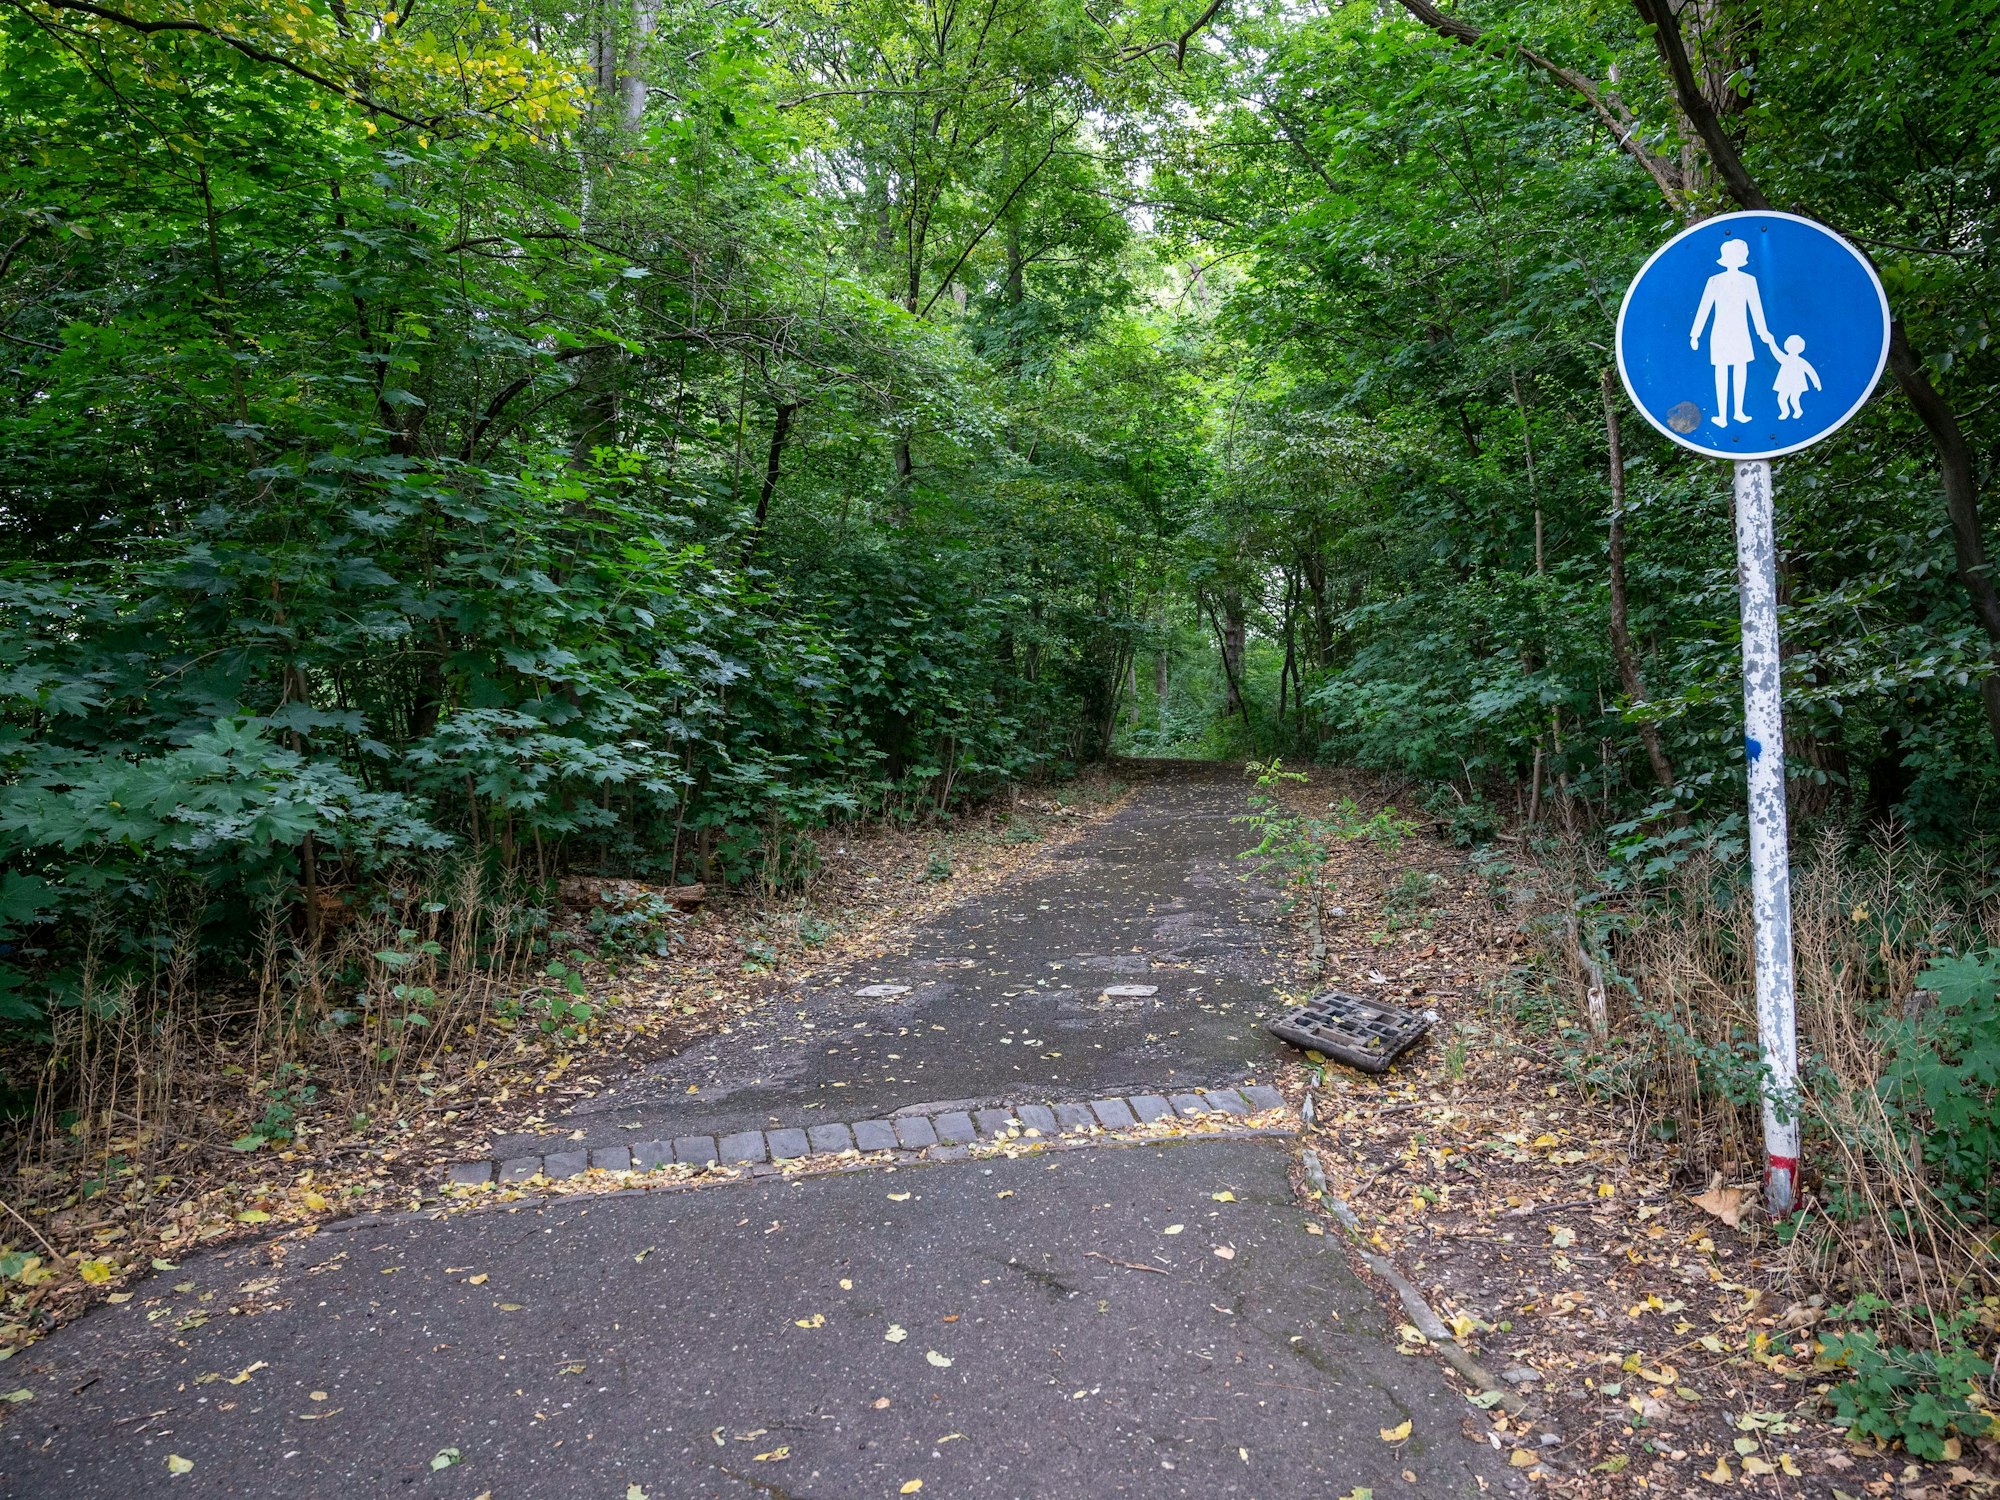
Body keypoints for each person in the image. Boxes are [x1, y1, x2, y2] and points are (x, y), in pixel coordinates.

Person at [1688, 238, 1773, 428]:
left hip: (1741, 331)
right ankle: (1721, 415)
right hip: (1720, 332)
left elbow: (1756, 309)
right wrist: (1695, 334)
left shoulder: (1749, 281)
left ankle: (1739, 412)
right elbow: (1704, 308)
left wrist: (1762, 332)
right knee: (1721, 370)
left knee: (1741, 369)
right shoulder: (1714, 281)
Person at [1769, 334, 1821, 419]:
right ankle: (1785, 412)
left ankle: (1798, 411)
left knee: (1794, 399)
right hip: (1785, 384)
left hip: (1797, 385)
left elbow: (1811, 372)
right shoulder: (1785, 358)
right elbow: (1776, 353)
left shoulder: (1801, 361)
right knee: (1781, 398)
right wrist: (1771, 342)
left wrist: (1817, 384)